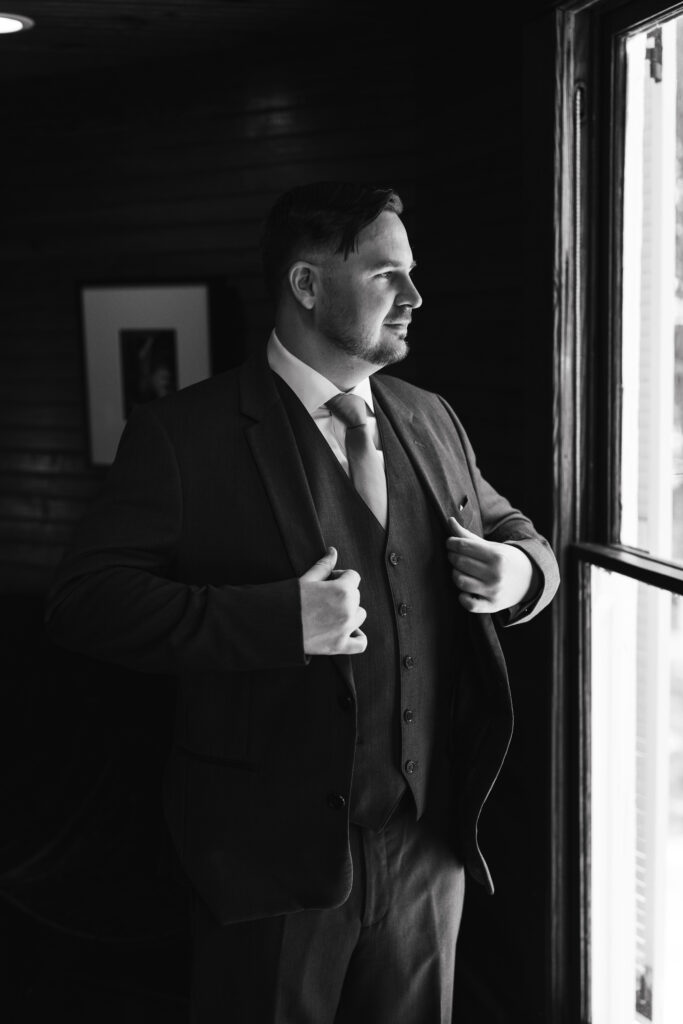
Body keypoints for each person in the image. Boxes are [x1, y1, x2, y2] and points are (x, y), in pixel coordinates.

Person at [45, 181, 560, 1023]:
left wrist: (520, 574)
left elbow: (513, 529)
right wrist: (277, 621)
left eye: (413, 274)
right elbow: (83, 603)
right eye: (387, 274)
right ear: (307, 285)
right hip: (266, 862)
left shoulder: (430, 418)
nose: (414, 296)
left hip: (429, 851)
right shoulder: (184, 436)